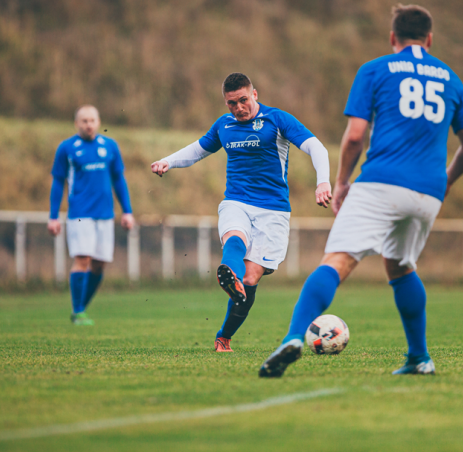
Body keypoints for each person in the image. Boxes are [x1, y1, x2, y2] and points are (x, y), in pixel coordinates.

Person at [259, 4, 463, 377]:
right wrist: (444, 181)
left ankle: (295, 335)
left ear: (392, 37)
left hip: (381, 182)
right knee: (401, 266)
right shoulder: (450, 78)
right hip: (428, 193)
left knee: (338, 260)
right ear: (430, 39)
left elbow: (355, 137)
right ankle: (418, 358)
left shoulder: (375, 70)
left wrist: (343, 180)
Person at [151, 73, 332, 352]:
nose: (238, 108)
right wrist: (168, 161)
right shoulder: (224, 126)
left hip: (273, 211)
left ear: (255, 94)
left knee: (250, 279)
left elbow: (314, 146)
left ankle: (224, 335)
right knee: (235, 238)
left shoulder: (277, 119)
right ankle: (229, 273)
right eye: (231, 103)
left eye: (243, 100)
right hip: (236, 201)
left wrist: (323, 181)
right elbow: (198, 150)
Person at [48, 105, 135, 326]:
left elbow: (118, 179)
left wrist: (127, 211)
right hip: (80, 214)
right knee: (83, 260)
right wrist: (53, 216)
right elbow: (58, 183)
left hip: (105, 214)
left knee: (99, 264)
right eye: (84, 121)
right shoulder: (67, 148)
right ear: (77, 123)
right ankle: (78, 311)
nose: (89, 124)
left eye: (92, 120)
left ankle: (80, 308)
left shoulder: (110, 146)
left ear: (98, 122)